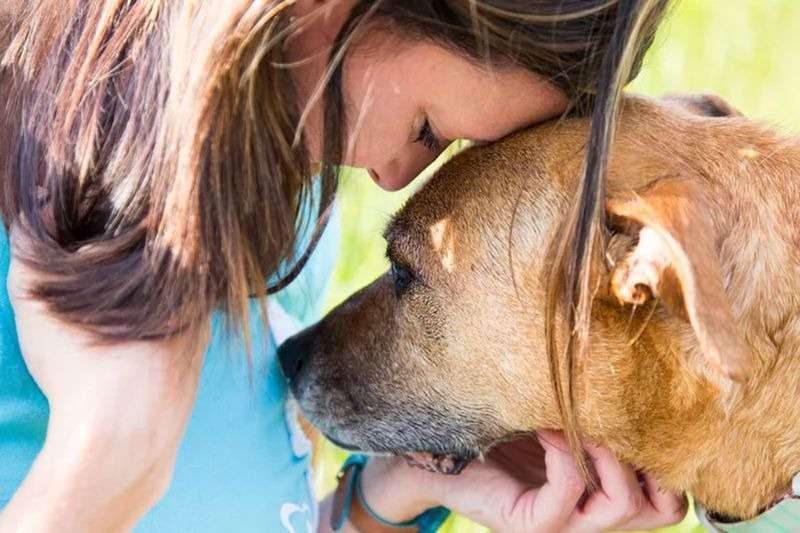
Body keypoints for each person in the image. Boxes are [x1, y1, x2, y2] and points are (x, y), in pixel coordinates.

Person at [0, 1, 688, 531]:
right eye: (426, 129)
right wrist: (102, 464)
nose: (394, 180)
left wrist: (392, 493)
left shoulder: (286, 207)